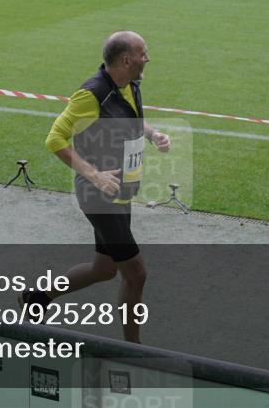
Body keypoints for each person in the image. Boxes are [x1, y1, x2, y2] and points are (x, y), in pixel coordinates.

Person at [21, 30, 170, 343]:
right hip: (98, 195)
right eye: (143, 53)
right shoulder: (91, 95)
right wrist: (95, 175)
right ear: (127, 60)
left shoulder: (128, 84)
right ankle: (133, 349)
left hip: (118, 190)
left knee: (104, 269)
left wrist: (153, 134)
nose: (148, 58)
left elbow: (130, 120)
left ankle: (38, 297)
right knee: (136, 273)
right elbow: (55, 139)